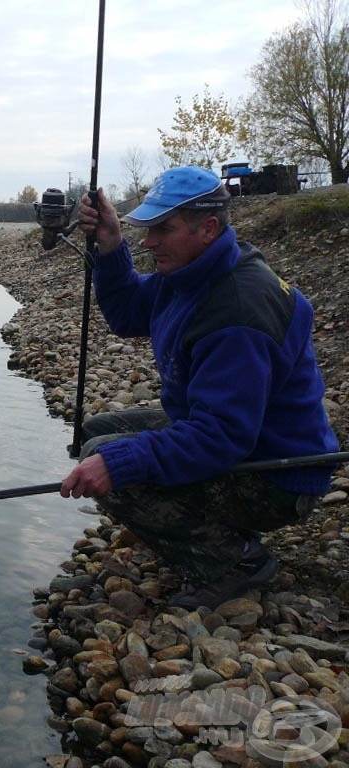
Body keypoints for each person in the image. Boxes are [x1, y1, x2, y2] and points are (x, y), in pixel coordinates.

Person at [59, 166, 338, 609]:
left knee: (113, 465)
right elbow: (129, 311)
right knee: (97, 431)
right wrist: (112, 243)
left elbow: (220, 438)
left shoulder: (237, 311)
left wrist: (120, 465)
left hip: (278, 473)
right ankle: (207, 525)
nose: (150, 242)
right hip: (241, 437)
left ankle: (237, 560)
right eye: (148, 229)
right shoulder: (193, 273)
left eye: (163, 230)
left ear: (207, 228)